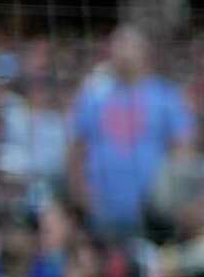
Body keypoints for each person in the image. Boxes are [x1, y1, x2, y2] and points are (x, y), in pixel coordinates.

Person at [65, 26, 194, 239]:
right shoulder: (94, 94)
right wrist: (81, 194)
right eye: (116, 45)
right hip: (100, 212)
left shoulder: (166, 96)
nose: (122, 52)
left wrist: (172, 200)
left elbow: (183, 150)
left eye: (128, 45)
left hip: (152, 215)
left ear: (145, 52)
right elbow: (76, 147)